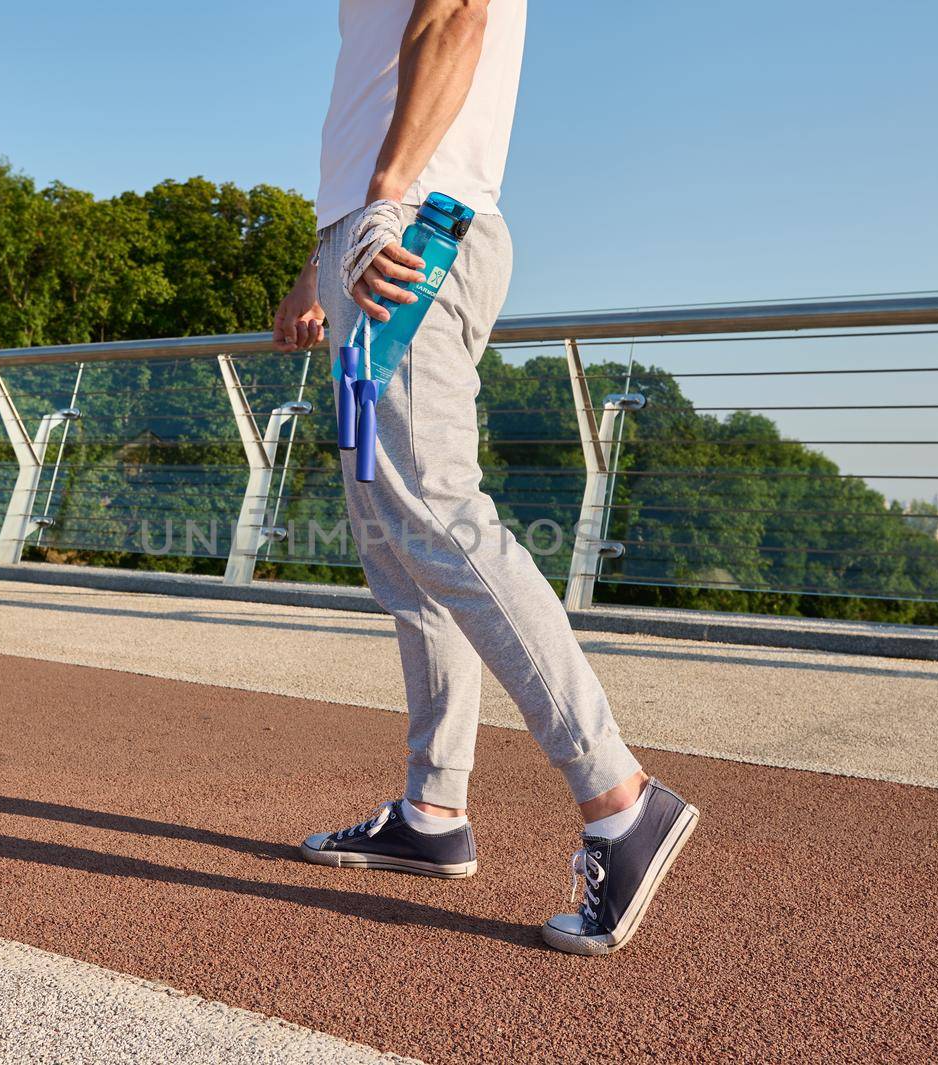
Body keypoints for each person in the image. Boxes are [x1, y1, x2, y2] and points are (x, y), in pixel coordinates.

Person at [271, 0, 699, 957]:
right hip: (373, 234)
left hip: (412, 226)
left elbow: (458, 15)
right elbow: (378, 81)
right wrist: (322, 258)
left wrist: (385, 199)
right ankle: (432, 812)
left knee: (436, 512)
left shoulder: (403, 193)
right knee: (395, 538)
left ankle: (621, 799)